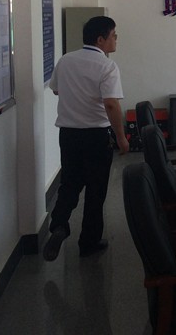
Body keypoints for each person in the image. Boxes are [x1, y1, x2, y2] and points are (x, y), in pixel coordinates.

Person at [43, 16, 129, 262]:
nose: (116, 39)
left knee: (69, 183)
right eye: (113, 35)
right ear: (100, 39)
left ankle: (59, 225)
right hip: (96, 136)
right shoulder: (107, 66)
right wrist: (121, 137)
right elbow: (111, 104)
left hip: (69, 134)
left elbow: (56, 89)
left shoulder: (66, 60)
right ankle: (89, 242)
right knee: (95, 190)